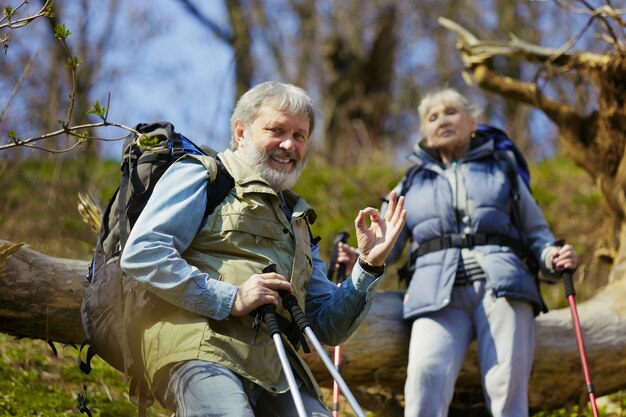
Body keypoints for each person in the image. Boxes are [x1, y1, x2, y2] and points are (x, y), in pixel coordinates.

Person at [120, 81, 407, 417]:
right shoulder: (204, 176)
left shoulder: (298, 220)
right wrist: (230, 298)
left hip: (276, 369)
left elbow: (328, 325)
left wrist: (369, 266)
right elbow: (143, 252)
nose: (289, 144)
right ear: (241, 132)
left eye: (300, 136)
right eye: (277, 130)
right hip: (198, 348)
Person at [377, 88, 577, 417]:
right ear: (424, 133)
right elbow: (385, 245)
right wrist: (359, 256)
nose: (442, 119)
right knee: (424, 378)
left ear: (473, 122)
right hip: (435, 294)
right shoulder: (410, 183)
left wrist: (552, 258)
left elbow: (536, 231)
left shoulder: (504, 169)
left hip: (504, 286)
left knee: (507, 385)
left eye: (451, 112)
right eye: (432, 116)